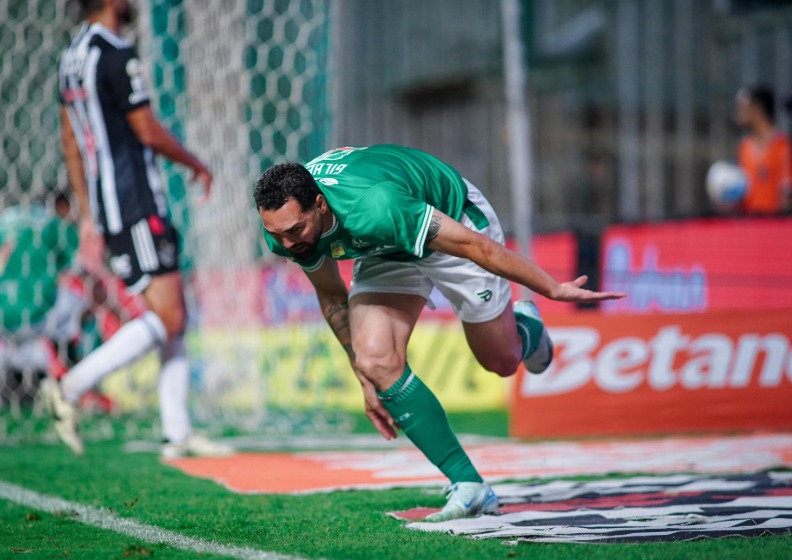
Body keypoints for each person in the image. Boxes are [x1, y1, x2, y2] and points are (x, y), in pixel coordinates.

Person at [254, 144, 625, 521]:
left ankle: (525, 326)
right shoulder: (284, 231)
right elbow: (333, 296)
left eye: (295, 231)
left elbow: (474, 245)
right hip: (385, 246)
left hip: (450, 218)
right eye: (277, 234)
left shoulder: (374, 207)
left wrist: (552, 288)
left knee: (501, 361)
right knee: (376, 358)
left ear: (319, 204)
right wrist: (363, 375)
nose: (286, 244)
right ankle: (469, 484)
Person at [47, 0, 232, 458]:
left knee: (174, 317)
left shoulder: (72, 58)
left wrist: (89, 212)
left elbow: (70, 141)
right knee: (169, 318)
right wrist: (196, 163)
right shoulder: (117, 52)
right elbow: (146, 129)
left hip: (111, 208)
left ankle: (177, 432)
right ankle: (71, 387)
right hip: (137, 201)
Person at [0, 196, 79, 404]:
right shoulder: (53, 223)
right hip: (40, 314)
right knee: (80, 295)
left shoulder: (4, 220)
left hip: (3, 315)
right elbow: (77, 264)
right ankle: (67, 366)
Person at [735, 86, 792, 214]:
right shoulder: (744, 146)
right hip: (749, 225)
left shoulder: (783, 145)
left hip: (774, 226)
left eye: (744, 106)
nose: (740, 112)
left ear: (757, 109)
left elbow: (786, 194)